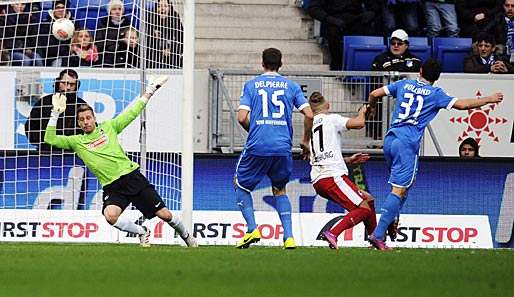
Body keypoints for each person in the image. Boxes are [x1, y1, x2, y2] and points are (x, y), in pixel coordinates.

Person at [44, 76, 197, 248]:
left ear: (94, 118)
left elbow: (132, 113)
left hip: (132, 178)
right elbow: (49, 139)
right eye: (82, 120)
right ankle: (142, 232)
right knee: (110, 216)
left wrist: (150, 91)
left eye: (88, 118)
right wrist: (55, 113)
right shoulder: (76, 142)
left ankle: (187, 236)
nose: (86, 122)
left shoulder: (109, 127)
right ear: (79, 124)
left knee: (165, 215)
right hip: (112, 187)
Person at [366, 58, 503, 250]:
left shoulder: (404, 84)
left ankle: (391, 222)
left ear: (420, 71)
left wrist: (370, 109)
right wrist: (488, 99)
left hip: (389, 140)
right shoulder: (435, 94)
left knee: (402, 188)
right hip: (407, 143)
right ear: (437, 78)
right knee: (399, 189)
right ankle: (378, 235)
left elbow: (374, 93)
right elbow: (462, 105)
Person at [234, 48, 313, 249]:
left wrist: (255, 129)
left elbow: (242, 117)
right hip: (282, 146)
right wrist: (305, 141)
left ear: (262, 63)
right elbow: (310, 114)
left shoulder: (252, 85)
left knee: (240, 184)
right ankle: (289, 237)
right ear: (281, 64)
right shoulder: (292, 86)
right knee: (280, 189)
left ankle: (252, 229)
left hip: (258, 144)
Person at [307, 91, 377, 250]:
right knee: (363, 208)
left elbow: (319, 157)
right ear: (328, 105)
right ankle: (333, 233)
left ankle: (375, 239)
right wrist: (362, 112)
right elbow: (359, 123)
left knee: (369, 199)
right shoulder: (331, 119)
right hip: (332, 177)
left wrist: (348, 160)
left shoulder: (311, 128)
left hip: (319, 180)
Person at [25, 69, 87, 152]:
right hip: (46, 152)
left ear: (77, 86)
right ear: (58, 83)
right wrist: (45, 143)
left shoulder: (81, 105)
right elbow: (30, 127)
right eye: (64, 83)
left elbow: (90, 129)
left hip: (73, 152)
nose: (68, 87)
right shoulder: (44, 102)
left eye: (72, 84)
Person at [308, 0, 380, 70]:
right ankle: (337, 67)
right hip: (333, 21)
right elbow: (313, 9)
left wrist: (371, 13)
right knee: (334, 33)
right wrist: (330, 19)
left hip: (356, 20)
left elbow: (374, 6)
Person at [146, 0, 183, 69]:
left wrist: (171, 50)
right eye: (159, 6)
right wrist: (152, 34)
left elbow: (182, 41)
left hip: (172, 60)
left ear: (169, 8)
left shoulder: (175, 20)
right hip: (153, 60)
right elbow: (144, 43)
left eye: (165, 6)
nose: (162, 9)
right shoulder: (150, 20)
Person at [36, 0, 75, 66]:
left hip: (71, 57)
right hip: (52, 58)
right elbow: (45, 46)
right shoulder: (45, 25)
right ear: (53, 10)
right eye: (58, 8)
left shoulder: (74, 24)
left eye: (63, 8)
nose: (60, 10)